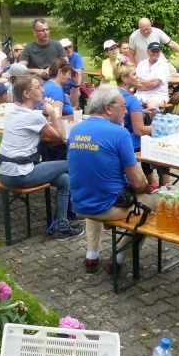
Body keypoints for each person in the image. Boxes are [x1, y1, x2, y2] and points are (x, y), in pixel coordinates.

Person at [67, 85, 155, 273]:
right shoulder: (119, 133)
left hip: (80, 203)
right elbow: (138, 184)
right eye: (123, 107)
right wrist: (151, 188)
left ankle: (92, 256)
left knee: (97, 189)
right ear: (108, 108)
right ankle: (119, 258)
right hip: (107, 207)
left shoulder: (75, 130)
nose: (126, 111)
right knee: (153, 203)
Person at [0, 75, 82, 239]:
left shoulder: (15, 111)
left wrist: (44, 113)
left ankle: (63, 223)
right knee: (73, 163)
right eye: (38, 87)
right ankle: (70, 216)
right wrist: (51, 113)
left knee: (65, 180)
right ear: (27, 94)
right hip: (21, 174)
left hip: (4, 172)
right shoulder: (33, 116)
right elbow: (59, 136)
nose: (42, 90)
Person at [113, 64, 161, 191]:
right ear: (124, 78)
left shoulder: (111, 95)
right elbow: (139, 130)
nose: (137, 76)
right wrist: (159, 127)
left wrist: (141, 111)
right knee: (155, 143)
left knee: (146, 142)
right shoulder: (131, 100)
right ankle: (162, 186)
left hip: (114, 138)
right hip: (128, 141)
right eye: (134, 74)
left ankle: (152, 182)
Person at [134, 42, 170, 113]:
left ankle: (150, 123)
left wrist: (141, 80)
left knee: (152, 108)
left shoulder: (163, 66)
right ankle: (136, 123)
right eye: (153, 51)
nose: (155, 53)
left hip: (157, 95)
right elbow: (135, 82)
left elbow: (154, 84)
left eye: (157, 51)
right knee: (126, 104)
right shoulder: (141, 64)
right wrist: (150, 82)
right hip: (140, 94)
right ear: (147, 52)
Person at [59, 38, 83, 109]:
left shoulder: (76, 56)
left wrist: (77, 88)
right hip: (62, 86)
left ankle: (74, 113)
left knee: (75, 100)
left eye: (70, 47)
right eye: (65, 48)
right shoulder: (60, 59)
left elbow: (79, 73)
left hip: (73, 85)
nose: (69, 49)